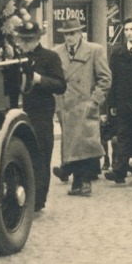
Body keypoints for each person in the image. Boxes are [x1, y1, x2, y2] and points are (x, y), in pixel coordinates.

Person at [52, 13, 112, 197]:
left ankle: (85, 182)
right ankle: (77, 182)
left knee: (86, 145)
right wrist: (57, 105)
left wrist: (95, 101)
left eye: (72, 33)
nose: (69, 37)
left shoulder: (94, 50)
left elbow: (105, 78)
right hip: (66, 107)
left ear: (80, 33)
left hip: (86, 105)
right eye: (66, 34)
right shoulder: (57, 52)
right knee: (72, 146)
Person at [11, 21, 67, 211]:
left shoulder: (50, 57)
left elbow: (60, 85)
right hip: (18, 113)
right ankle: (21, 195)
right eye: (22, 40)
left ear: (37, 39)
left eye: (29, 40)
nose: (25, 44)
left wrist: (39, 79)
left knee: (41, 157)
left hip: (40, 115)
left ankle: (38, 200)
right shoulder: (14, 57)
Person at [105, 17, 132, 184]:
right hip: (123, 101)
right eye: (126, 30)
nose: (129, 33)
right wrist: (112, 103)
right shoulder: (118, 53)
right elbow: (113, 79)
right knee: (122, 136)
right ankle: (119, 171)